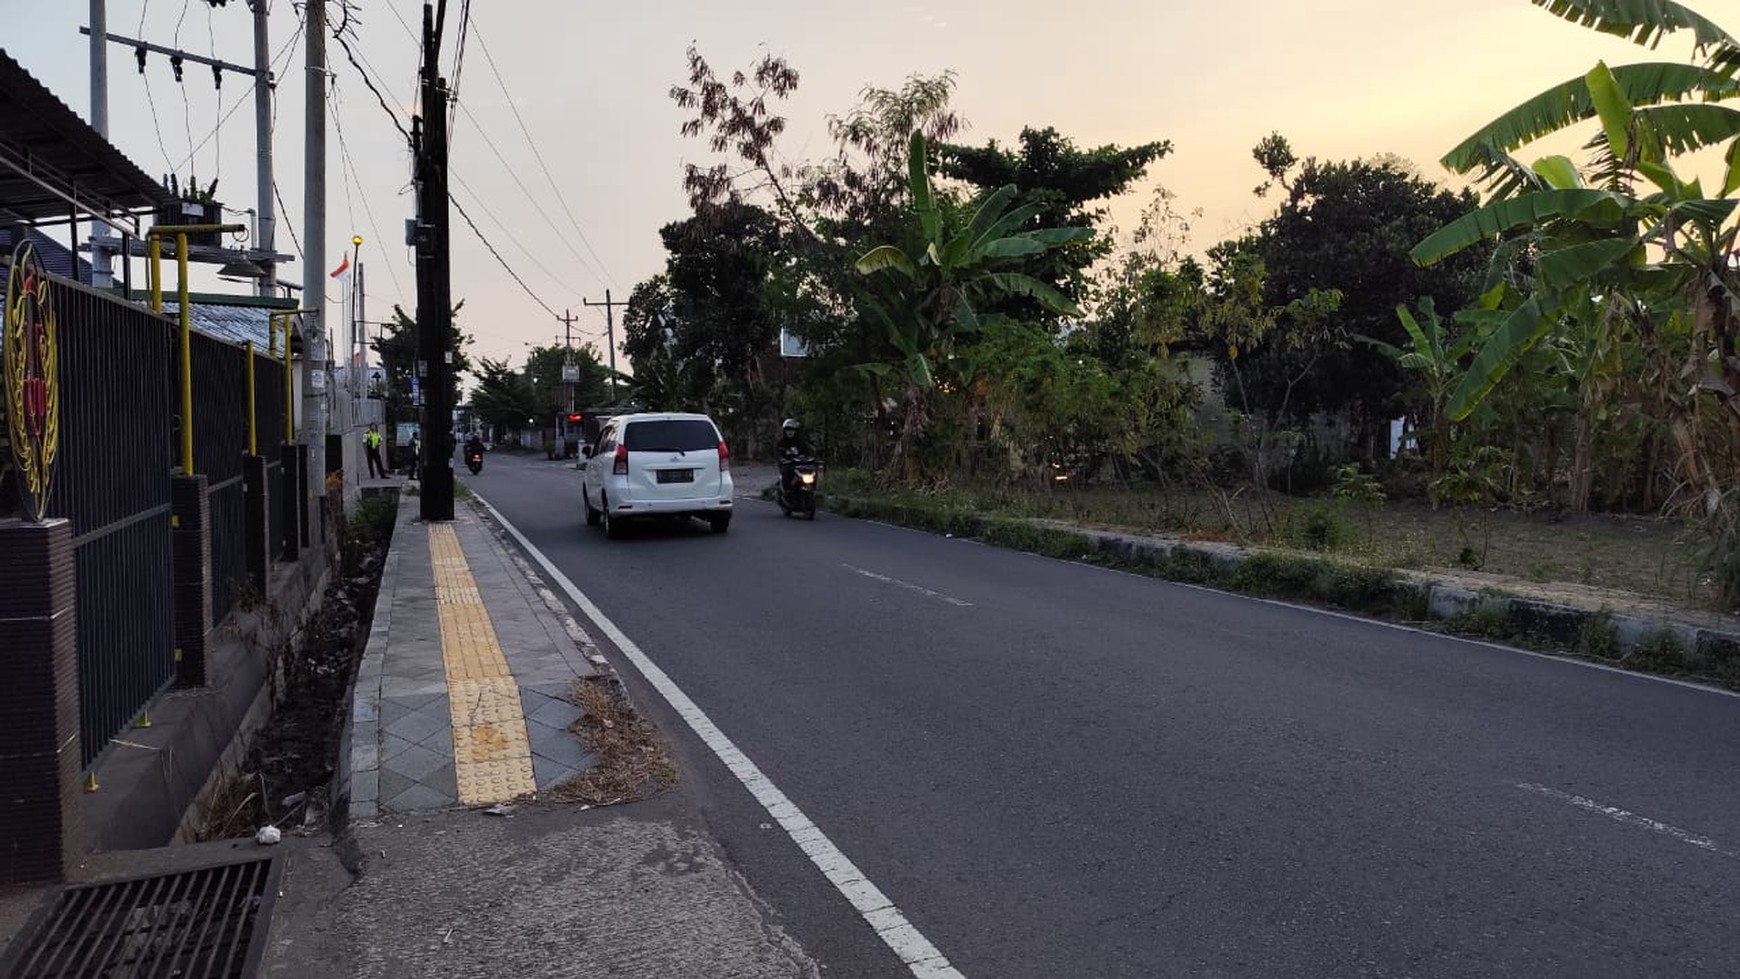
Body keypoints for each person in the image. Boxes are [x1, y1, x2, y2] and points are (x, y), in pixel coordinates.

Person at [776, 418, 813, 496]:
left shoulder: (801, 443)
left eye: (792, 430)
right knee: (786, 472)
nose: (790, 432)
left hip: (801, 465)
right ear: (784, 431)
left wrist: (810, 458)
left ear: (796, 431)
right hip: (787, 465)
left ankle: (811, 489)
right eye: (788, 430)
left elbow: (808, 452)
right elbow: (779, 455)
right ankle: (787, 491)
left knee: (812, 471)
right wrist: (783, 460)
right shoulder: (782, 443)